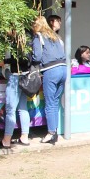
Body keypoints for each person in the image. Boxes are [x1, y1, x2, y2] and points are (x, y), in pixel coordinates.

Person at [0, 33, 32, 149]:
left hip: (14, 76)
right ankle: (24, 137)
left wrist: (4, 62)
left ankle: (6, 140)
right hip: (25, 76)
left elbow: (17, 60)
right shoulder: (27, 39)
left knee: (10, 109)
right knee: (23, 108)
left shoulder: (14, 41)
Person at [32, 15, 67, 145]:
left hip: (51, 70)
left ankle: (51, 133)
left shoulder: (39, 36)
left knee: (50, 102)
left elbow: (37, 56)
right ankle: (55, 131)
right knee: (55, 102)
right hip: (63, 69)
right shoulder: (57, 37)